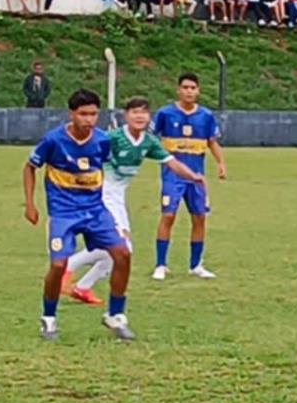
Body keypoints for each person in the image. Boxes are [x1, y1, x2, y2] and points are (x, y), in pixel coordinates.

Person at [64, 96, 205, 304]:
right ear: (125, 116)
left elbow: (172, 162)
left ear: (149, 117)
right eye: (135, 112)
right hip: (102, 195)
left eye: (144, 112)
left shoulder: (149, 142)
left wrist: (193, 176)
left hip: (117, 197)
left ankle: (81, 286)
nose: (139, 116)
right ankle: (67, 267)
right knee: (119, 247)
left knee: (121, 250)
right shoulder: (113, 137)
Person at [22, 89, 137, 342]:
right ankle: (49, 318)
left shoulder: (102, 141)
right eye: (83, 114)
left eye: (93, 114)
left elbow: (103, 172)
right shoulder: (54, 140)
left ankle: (115, 315)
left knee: (123, 253)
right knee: (58, 265)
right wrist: (30, 204)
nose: (89, 120)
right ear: (71, 114)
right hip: (64, 213)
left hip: (95, 211)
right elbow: (29, 167)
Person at [151, 72, 228, 281]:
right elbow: (151, 138)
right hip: (172, 176)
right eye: (185, 88)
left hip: (197, 177)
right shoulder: (165, 113)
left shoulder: (206, 116)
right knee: (168, 216)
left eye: (193, 88)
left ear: (198, 91)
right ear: (178, 90)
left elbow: (212, 142)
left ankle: (195, 265)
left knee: (199, 218)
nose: (189, 91)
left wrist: (221, 163)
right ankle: (161, 265)